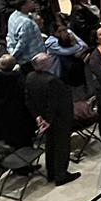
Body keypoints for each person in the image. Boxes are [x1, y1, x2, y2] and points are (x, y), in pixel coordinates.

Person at [25, 53, 77, 186]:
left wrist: (38, 117)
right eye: (48, 60)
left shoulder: (30, 77)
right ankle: (61, 175)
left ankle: (51, 173)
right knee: (61, 146)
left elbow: (28, 99)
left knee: (51, 145)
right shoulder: (52, 81)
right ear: (44, 65)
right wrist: (47, 120)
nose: (51, 60)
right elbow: (53, 103)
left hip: (43, 118)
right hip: (58, 118)